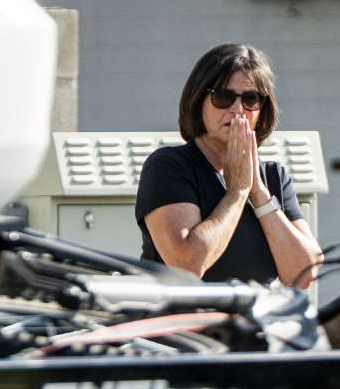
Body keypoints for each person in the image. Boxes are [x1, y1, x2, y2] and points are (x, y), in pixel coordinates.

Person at [136, 43, 322, 288]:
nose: (237, 109)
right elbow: (187, 265)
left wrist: (259, 194)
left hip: (253, 313)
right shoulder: (169, 166)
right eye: (223, 97)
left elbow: (305, 275)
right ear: (198, 100)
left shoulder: (273, 176)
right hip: (184, 313)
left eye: (250, 99)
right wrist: (237, 193)